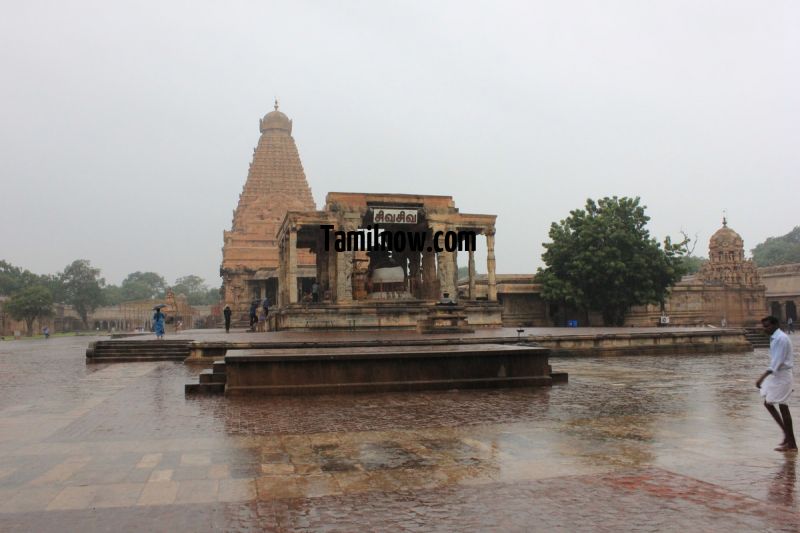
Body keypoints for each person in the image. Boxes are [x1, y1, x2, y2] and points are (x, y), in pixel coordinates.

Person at [756, 315, 796, 452]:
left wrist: (761, 378)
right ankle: (788, 437)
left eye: (767, 326)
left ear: (775, 325)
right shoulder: (776, 338)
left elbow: (776, 362)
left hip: (782, 375)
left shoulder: (781, 339)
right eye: (764, 326)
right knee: (770, 403)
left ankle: (791, 443)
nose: (765, 329)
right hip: (779, 376)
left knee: (782, 407)